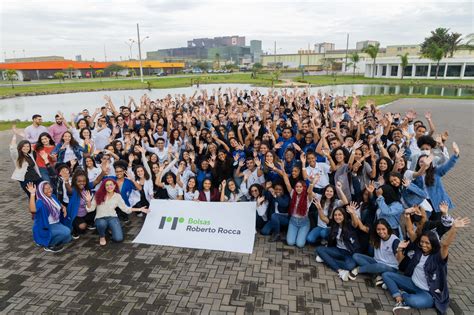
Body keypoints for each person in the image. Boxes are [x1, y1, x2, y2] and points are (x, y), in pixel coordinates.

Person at [382, 216, 470, 314]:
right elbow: (410, 231)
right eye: (422, 242)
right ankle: (398, 296)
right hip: (412, 283)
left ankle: (404, 295)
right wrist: (407, 217)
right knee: (386, 275)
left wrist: (454, 228)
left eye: (427, 243)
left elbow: (445, 245)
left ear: (433, 243)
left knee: (413, 301)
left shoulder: (438, 257)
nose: (424, 245)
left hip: (428, 292)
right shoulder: (419, 250)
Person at [84, 179, 149, 246]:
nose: (109, 187)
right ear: (104, 187)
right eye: (107, 185)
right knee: (101, 224)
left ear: (115, 186)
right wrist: (88, 201)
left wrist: (139, 209)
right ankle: (102, 236)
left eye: (111, 185)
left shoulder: (117, 196)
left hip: (112, 218)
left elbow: (126, 209)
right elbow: (90, 209)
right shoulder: (98, 195)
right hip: (100, 218)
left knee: (118, 239)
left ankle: (109, 228)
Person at [315, 206, 360, 281]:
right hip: (338, 250)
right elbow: (323, 218)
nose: (337, 217)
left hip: (349, 253)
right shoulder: (334, 224)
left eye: (339, 215)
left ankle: (327, 259)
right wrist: (319, 208)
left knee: (349, 266)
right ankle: (340, 271)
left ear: (344, 216)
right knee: (319, 249)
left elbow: (355, 224)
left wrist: (352, 213)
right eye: (335, 215)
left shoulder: (349, 224)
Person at [350, 219, 400, 285]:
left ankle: (358, 270)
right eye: (378, 229)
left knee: (380, 266)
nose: (381, 231)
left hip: (390, 267)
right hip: (376, 261)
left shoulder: (394, 240)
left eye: (383, 229)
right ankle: (377, 275)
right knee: (356, 256)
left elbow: (399, 259)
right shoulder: (376, 236)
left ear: (388, 228)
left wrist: (400, 249)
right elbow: (362, 227)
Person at [26, 181, 72, 253]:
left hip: (56, 223)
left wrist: (64, 208)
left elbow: (58, 204)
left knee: (68, 238)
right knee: (66, 232)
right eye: (45, 189)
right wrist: (32, 194)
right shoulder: (40, 202)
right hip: (46, 226)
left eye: (50, 187)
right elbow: (32, 210)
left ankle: (48, 240)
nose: (49, 190)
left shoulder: (53, 196)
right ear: (41, 191)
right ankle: (49, 245)